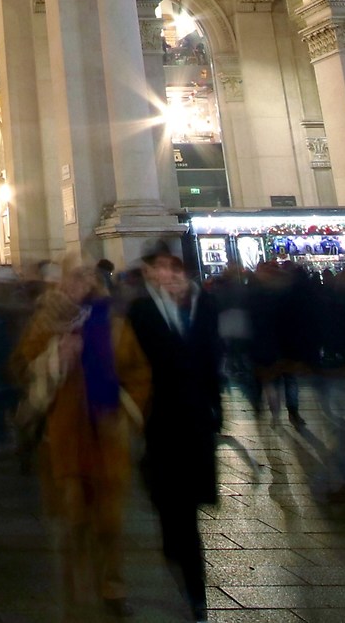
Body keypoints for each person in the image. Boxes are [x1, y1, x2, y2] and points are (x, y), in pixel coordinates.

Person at [13, 262, 151, 615]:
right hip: (65, 435)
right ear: (62, 283)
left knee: (110, 521)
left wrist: (127, 413)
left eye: (87, 278)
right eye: (74, 278)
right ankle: (76, 583)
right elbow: (20, 368)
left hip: (107, 434)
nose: (81, 284)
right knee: (73, 517)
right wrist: (55, 357)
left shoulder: (115, 326)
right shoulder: (45, 324)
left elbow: (138, 374)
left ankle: (113, 585)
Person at [124, 249, 223, 619]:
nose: (167, 275)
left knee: (187, 510)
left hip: (196, 421)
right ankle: (178, 555)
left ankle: (196, 591)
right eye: (158, 269)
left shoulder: (204, 305)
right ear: (148, 274)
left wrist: (216, 410)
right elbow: (132, 364)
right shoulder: (140, 312)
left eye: (172, 268)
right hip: (160, 420)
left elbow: (213, 357)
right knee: (172, 506)